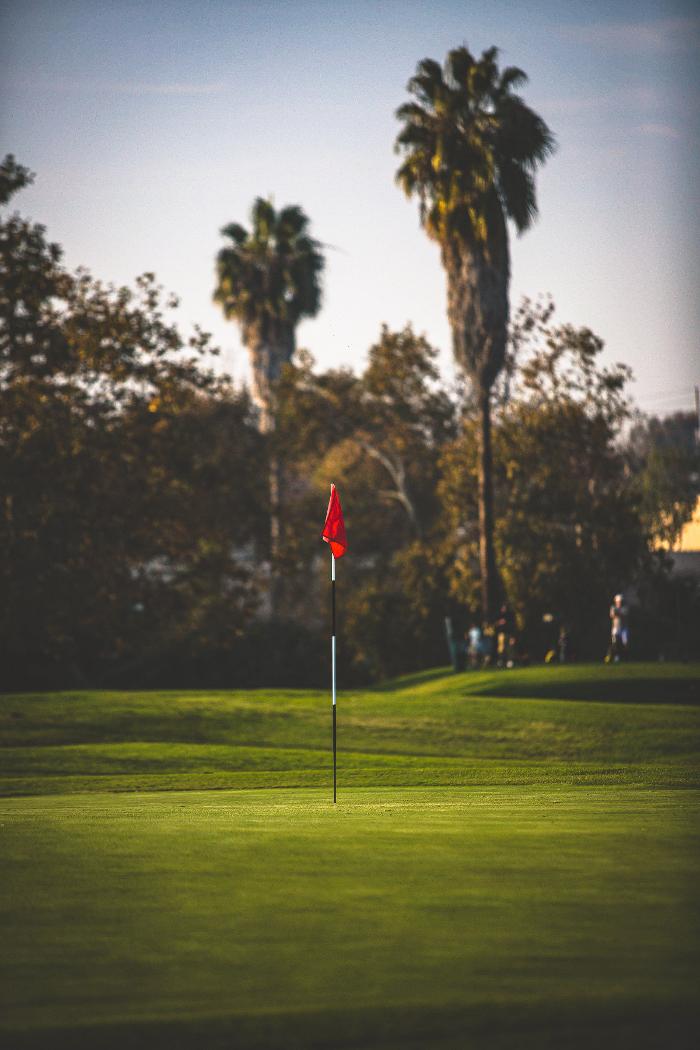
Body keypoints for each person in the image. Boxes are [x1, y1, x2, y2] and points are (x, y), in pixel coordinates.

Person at [608, 593, 629, 662]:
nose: (619, 602)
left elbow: (623, 614)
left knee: (625, 643)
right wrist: (617, 613)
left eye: (620, 601)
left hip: (624, 628)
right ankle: (615, 656)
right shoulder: (613, 607)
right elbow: (612, 615)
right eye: (618, 601)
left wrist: (617, 613)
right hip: (615, 628)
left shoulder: (625, 608)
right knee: (615, 643)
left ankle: (625, 658)